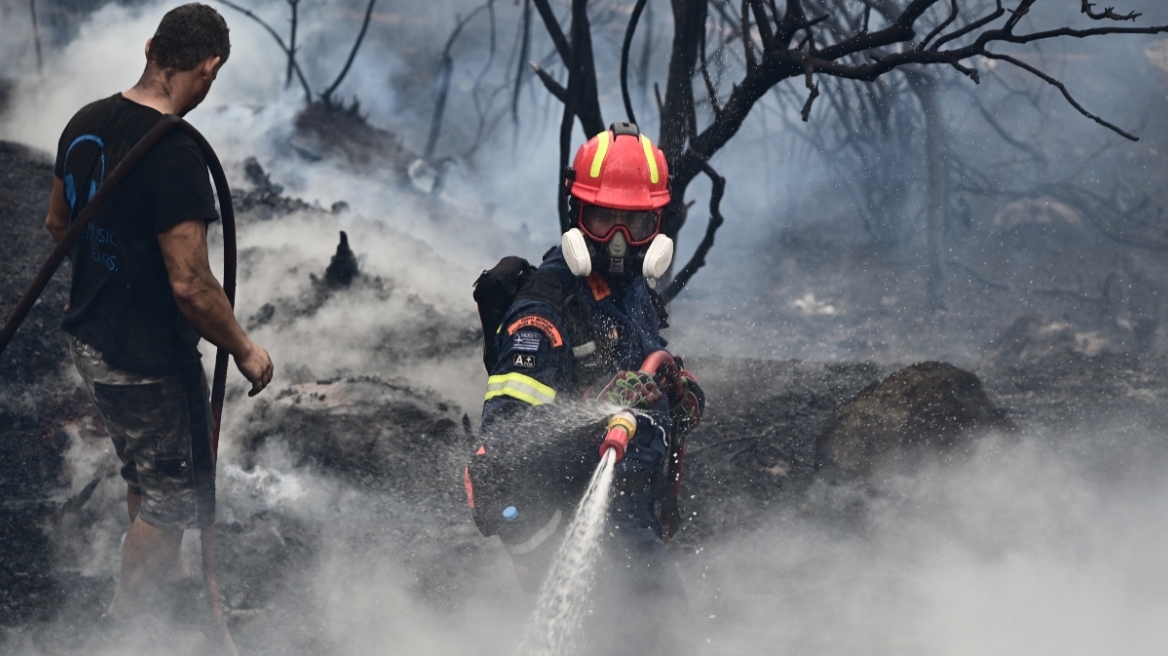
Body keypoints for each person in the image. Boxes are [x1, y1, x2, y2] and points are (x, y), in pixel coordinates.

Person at [42, 3, 272, 629]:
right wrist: (247, 350)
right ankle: (126, 626)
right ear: (209, 67)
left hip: (91, 343)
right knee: (172, 502)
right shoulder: (174, 157)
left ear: (149, 46)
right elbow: (192, 285)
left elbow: (59, 224)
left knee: (143, 465)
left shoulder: (85, 121)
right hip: (146, 362)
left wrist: (103, 280)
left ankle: (165, 583)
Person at [471, 122, 705, 654]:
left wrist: (673, 390)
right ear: (577, 215)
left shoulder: (629, 289)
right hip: (581, 534)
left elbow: (646, 362)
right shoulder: (545, 315)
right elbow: (509, 447)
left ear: (657, 222)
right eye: (603, 219)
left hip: (634, 517)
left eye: (636, 222)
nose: (619, 241)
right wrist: (596, 410)